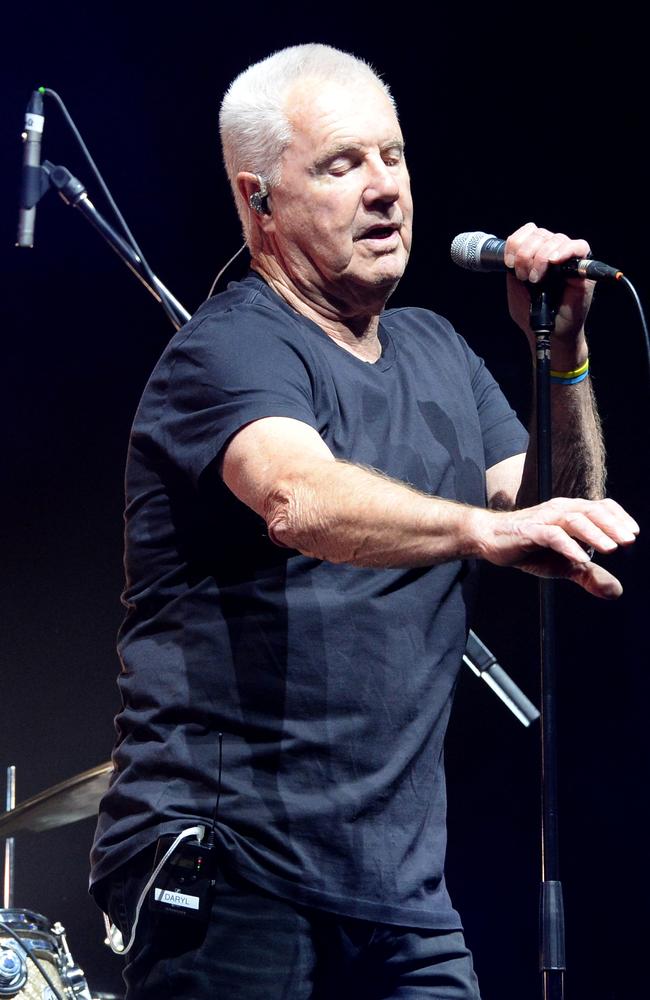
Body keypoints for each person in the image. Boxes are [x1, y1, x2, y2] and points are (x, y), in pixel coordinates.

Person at [90, 43, 639, 999]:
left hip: (399, 892)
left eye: (393, 158)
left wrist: (562, 351)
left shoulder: (437, 350)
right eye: (342, 166)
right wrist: (478, 531)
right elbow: (296, 495)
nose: (385, 191)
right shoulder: (227, 347)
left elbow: (561, 508)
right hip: (234, 872)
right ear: (257, 200)